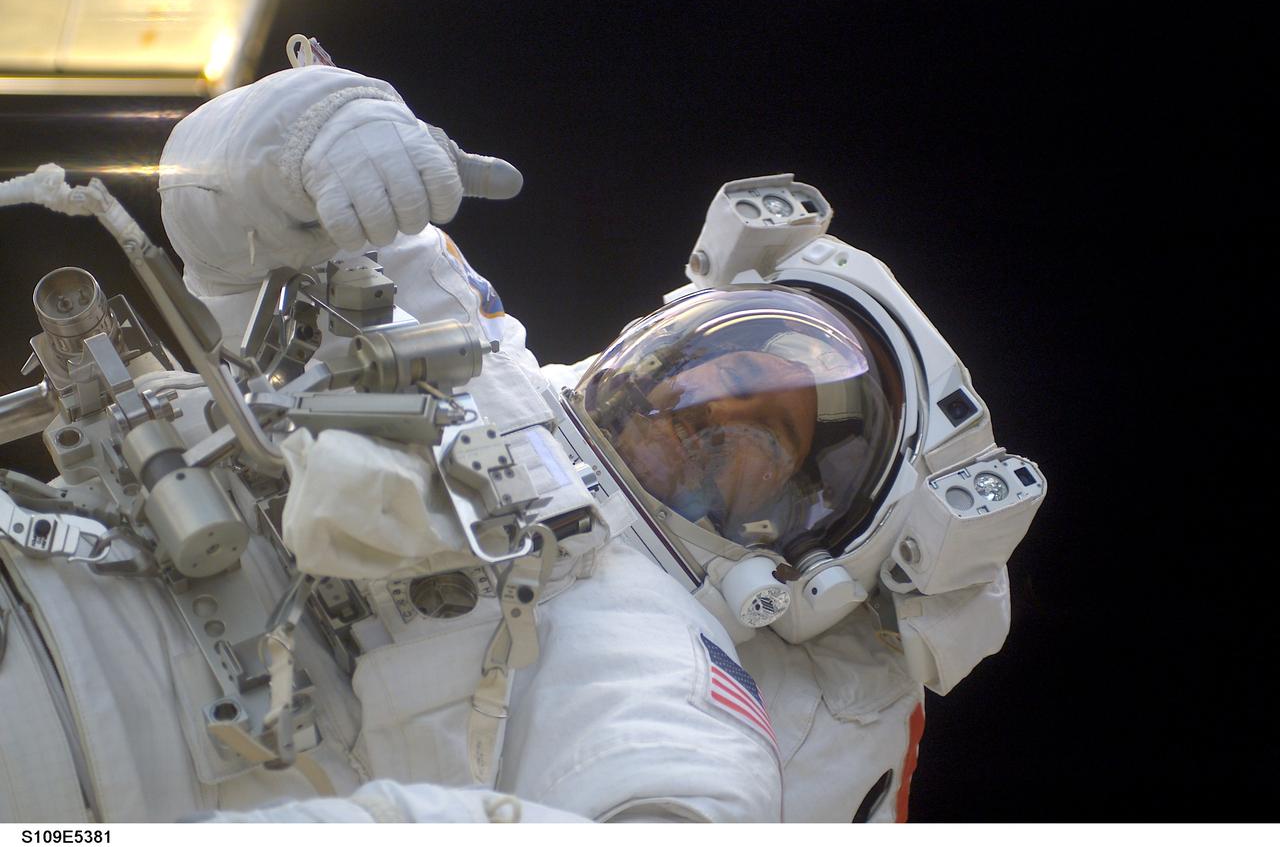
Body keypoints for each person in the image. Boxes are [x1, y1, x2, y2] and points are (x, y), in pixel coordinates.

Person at [0, 45, 1043, 823]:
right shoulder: (469, 341)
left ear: (808, 562)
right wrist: (320, 124)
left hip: (81, 759)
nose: (718, 404)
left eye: (766, 432)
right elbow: (214, 226)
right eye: (736, 358)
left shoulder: (665, 679)